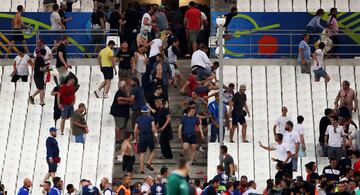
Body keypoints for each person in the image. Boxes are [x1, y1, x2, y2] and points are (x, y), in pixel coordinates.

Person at [134, 106, 157, 173]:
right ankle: (148, 162)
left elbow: (135, 130)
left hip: (141, 136)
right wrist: (156, 137)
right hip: (149, 136)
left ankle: (142, 169)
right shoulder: (151, 118)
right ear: (148, 111)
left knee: (142, 153)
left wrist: (136, 138)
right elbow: (153, 128)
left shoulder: (138, 119)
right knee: (152, 150)